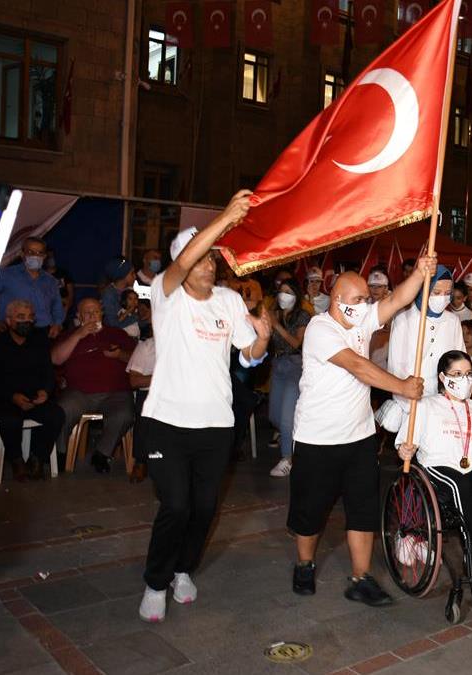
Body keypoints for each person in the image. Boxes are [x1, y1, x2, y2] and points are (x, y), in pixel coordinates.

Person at [137, 191, 271, 623]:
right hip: (167, 421)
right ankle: (155, 582)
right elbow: (178, 266)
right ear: (183, 263)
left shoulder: (229, 301)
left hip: (215, 424)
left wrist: (262, 342)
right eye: (201, 259)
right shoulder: (166, 294)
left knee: (204, 508)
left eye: (213, 259)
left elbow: (247, 355)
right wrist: (227, 216)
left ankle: (182, 570)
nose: (210, 264)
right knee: (175, 504)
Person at [288, 258, 432, 607]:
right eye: (359, 299)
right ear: (338, 300)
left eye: (368, 298)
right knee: (311, 512)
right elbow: (358, 366)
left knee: (362, 510)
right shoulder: (321, 329)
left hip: (359, 436)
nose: (366, 305)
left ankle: (360, 578)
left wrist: (420, 272)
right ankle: (305, 565)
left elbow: (397, 300)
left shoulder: (362, 319)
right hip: (317, 439)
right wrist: (401, 386)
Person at [397, 350, 472, 574]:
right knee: (459, 483)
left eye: (468, 374)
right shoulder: (426, 406)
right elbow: (406, 443)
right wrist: (405, 449)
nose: (464, 379)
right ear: (443, 378)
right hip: (439, 465)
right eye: (457, 374)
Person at [0, 299, 66, 481]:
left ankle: (37, 459)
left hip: (34, 398)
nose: (26, 321)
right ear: (9, 321)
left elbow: (48, 374)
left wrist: (45, 391)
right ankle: (17, 461)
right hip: (3, 399)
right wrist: (12, 397)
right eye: (20, 317)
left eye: (30, 317)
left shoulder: (39, 342)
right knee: (10, 419)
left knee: (56, 414)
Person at [51, 298, 137, 474]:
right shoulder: (69, 334)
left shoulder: (117, 334)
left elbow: (138, 359)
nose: (92, 316)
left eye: (96, 312)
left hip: (115, 392)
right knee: (63, 410)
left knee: (125, 414)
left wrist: (120, 354)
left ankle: (102, 453)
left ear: (102, 314)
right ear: (79, 316)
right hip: (79, 393)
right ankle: (60, 453)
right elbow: (56, 359)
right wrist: (78, 335)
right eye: (87, 313)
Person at [379, 264, 466, 433]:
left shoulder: (453, 321)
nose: (443, 298)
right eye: (436, 292)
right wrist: (406, 400)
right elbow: (396, 365)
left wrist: (452, 398)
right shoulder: (404, 318)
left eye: (447, 293)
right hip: (410, 400)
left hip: (441, 403)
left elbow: (458, 362)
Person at [0, 237, 64, 338]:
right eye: (31, 252)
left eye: (39, 253)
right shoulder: (6, 275)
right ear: (22, 254)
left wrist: (57, 324)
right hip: (13, 332)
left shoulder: (50, 280)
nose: (35, 256)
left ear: (44, 256)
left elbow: (57, 305)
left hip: (43, 333)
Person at [265, 279, 311, 478]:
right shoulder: (273, 313)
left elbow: (296, 344)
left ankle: (287, 459)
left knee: (285, 418)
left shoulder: (302, 315)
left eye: (288, 291)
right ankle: (296, 440)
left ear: (296, 295)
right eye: (281, 291)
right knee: (274, 416)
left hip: (295, 366)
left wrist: (276, 325)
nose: (284, 295)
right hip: (277, 366)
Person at [126, 329, 156, 484]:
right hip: (152, 392)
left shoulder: (186, 344)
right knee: (147, 405)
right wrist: (163, 376)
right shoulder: (146, 346)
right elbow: (135, 381)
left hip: (180, 391)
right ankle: (141, 461)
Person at [100, 257, 138, 333]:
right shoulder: (109, 295)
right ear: (122, 275)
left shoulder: (129, 290)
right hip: (115, 337)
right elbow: (113, 324)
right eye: (132, 273)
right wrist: (137, 317)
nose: (135, 276)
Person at [43, 249, 74, 317]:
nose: (51, 259)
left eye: (52, 257)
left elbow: (71, 295)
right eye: (48, 257)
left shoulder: (63, 273)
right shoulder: (41, 275)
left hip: (64, 308)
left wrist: (66, 307)